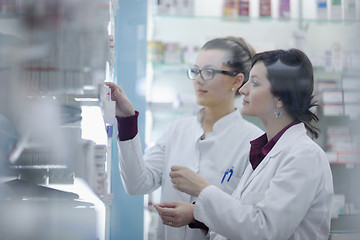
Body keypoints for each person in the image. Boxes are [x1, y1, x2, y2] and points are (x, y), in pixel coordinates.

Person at [155, 49, 334, 240]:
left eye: (255, 83)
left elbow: (265, 230)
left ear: (280, 97)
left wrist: (203, 189)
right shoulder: (264, 151)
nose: (243, 89)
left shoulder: (304, 156)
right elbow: (243, 219)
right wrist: (196, 215)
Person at [105, 36, 263, 240]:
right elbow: (137, 184)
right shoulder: (177, 130)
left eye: (208, 72)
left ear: (237, 80)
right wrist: (126, 120)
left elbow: (250, 223)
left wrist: (198, 216)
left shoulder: (254, 142)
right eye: (196, 71)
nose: (198, 79)